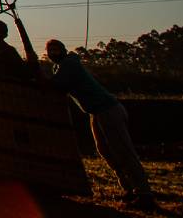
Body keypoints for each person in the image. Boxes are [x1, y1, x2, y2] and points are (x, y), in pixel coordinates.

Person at [44, 39, 156, 211]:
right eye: (50, 50)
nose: (53, 52)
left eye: (56, 49)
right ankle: (129, 189)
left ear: (63, 50)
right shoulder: (59, 67)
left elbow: (55, 85)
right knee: (105, 151)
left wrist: (36, 73)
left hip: (108, 110)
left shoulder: (68, 65)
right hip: (95, 112)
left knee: (123, 150)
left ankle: (145, 194)